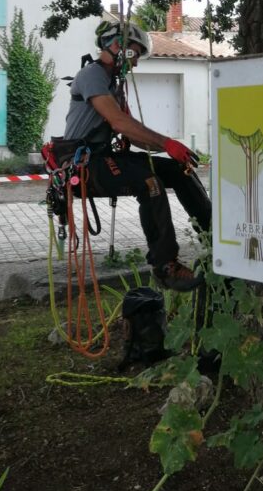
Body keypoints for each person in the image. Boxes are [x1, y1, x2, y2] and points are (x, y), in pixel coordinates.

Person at [61, 19, 211, 292]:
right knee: (149, 182)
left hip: (105, 157)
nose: (137, 62)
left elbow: (131, 134)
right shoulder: (92, 75)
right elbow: (118, 122)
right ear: (118, 46)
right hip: (86, 164)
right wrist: (167, 143)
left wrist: (173, 150)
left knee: (179, 171)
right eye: (136, 53)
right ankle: (165, 266)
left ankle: (213, 238)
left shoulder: (113, 84)